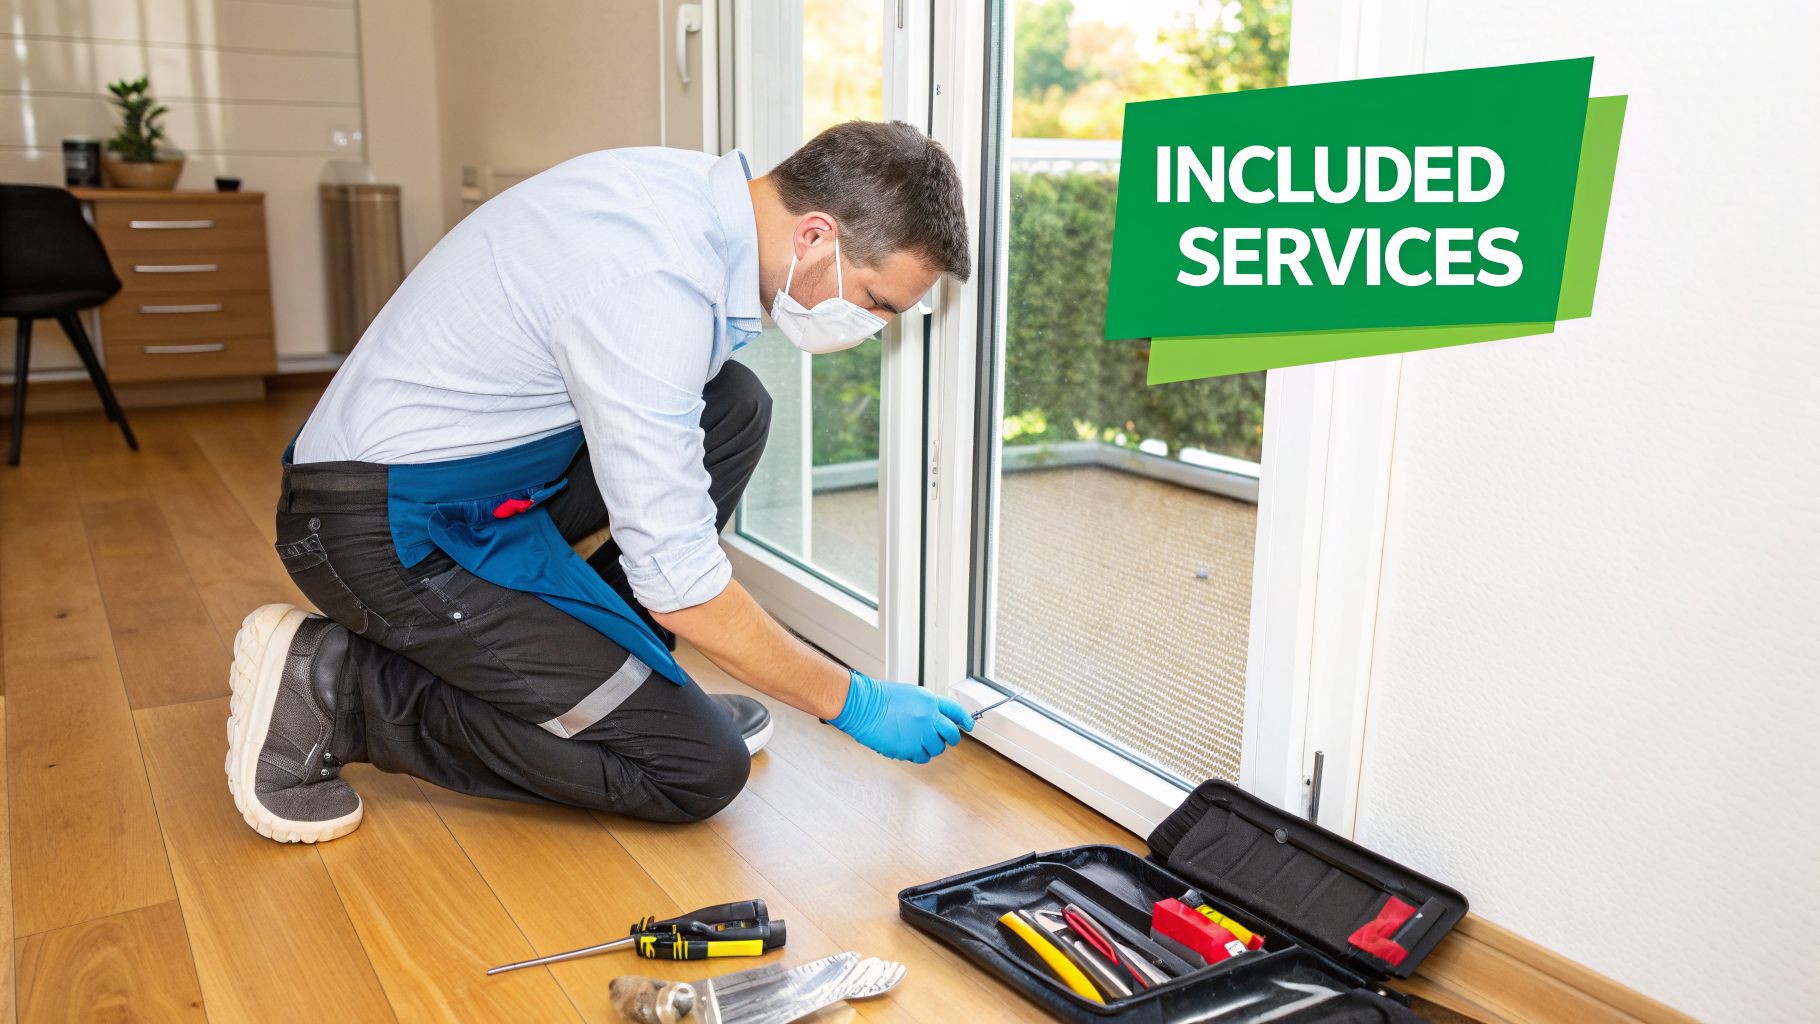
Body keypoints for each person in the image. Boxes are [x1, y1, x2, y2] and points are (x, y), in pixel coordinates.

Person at [225, 121, 975, 843]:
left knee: (733, 404)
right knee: (695, 770)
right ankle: (345, 691)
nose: (873, 324)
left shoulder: (693, 197)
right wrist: (853, 702)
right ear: (815, 236)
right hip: (376, 527)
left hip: (467, 471)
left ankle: (619, 689)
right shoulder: (655, 283)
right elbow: (680, 581)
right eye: (878, 303)